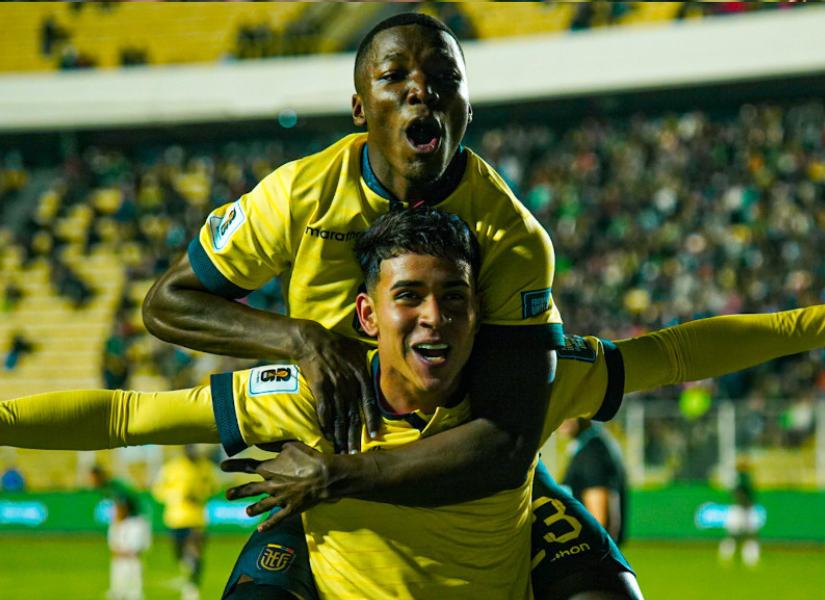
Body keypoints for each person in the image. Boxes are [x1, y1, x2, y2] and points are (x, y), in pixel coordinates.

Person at [4, 209, 825, 597]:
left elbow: (675, 353)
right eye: (408, 297)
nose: (433, 317)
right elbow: (127, 417)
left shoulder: (527, 378)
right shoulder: (305, 392)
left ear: (479, 312)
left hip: (505, 540)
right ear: (368, 315)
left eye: (453, 298)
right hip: (334, 560)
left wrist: (814, 323)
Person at [142, 11, 606, 600]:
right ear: (360, 108)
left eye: (444, 76)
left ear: (467, 108)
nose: (421, 89)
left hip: (460, 476)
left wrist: (339, 475)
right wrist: (302, 339)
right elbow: (166, 303)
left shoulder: (510, 235)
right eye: (395, 75)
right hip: (327, 471)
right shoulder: (300, 195)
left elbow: (507, 443)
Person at [152, 445, 219, 600]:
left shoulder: (206, 467)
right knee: (180, 555)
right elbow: (158, 490)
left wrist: (200, 493)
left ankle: (193, 587)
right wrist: (175, 495)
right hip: (175, 519)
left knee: (195, 553)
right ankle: (188, 575)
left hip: (196, 519)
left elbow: (214, 486)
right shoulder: (171, 467)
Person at [559, 417, 628, 545]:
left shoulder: (593, 451)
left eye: (571, 414)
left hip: (587, 547)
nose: (564, 420)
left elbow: (598, 513)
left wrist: (594, 548)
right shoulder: (589, 444)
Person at [107, 494, 152, 600]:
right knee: (118, 590)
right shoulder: (116, 523)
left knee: (133, 593)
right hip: (119, 560)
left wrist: (130, 552)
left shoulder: (137, 523)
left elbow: (141, 543)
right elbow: (113, 542)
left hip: (132, 560)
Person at [718, 459, 762, 567]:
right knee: (749, 534)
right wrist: (746, 505)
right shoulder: (743, 478)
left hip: (739, 508)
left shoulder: (737, 477)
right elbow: (741, 493)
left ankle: (726, 555)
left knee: (734, 534)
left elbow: (735, 492)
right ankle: (750, 557)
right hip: (743, 509)